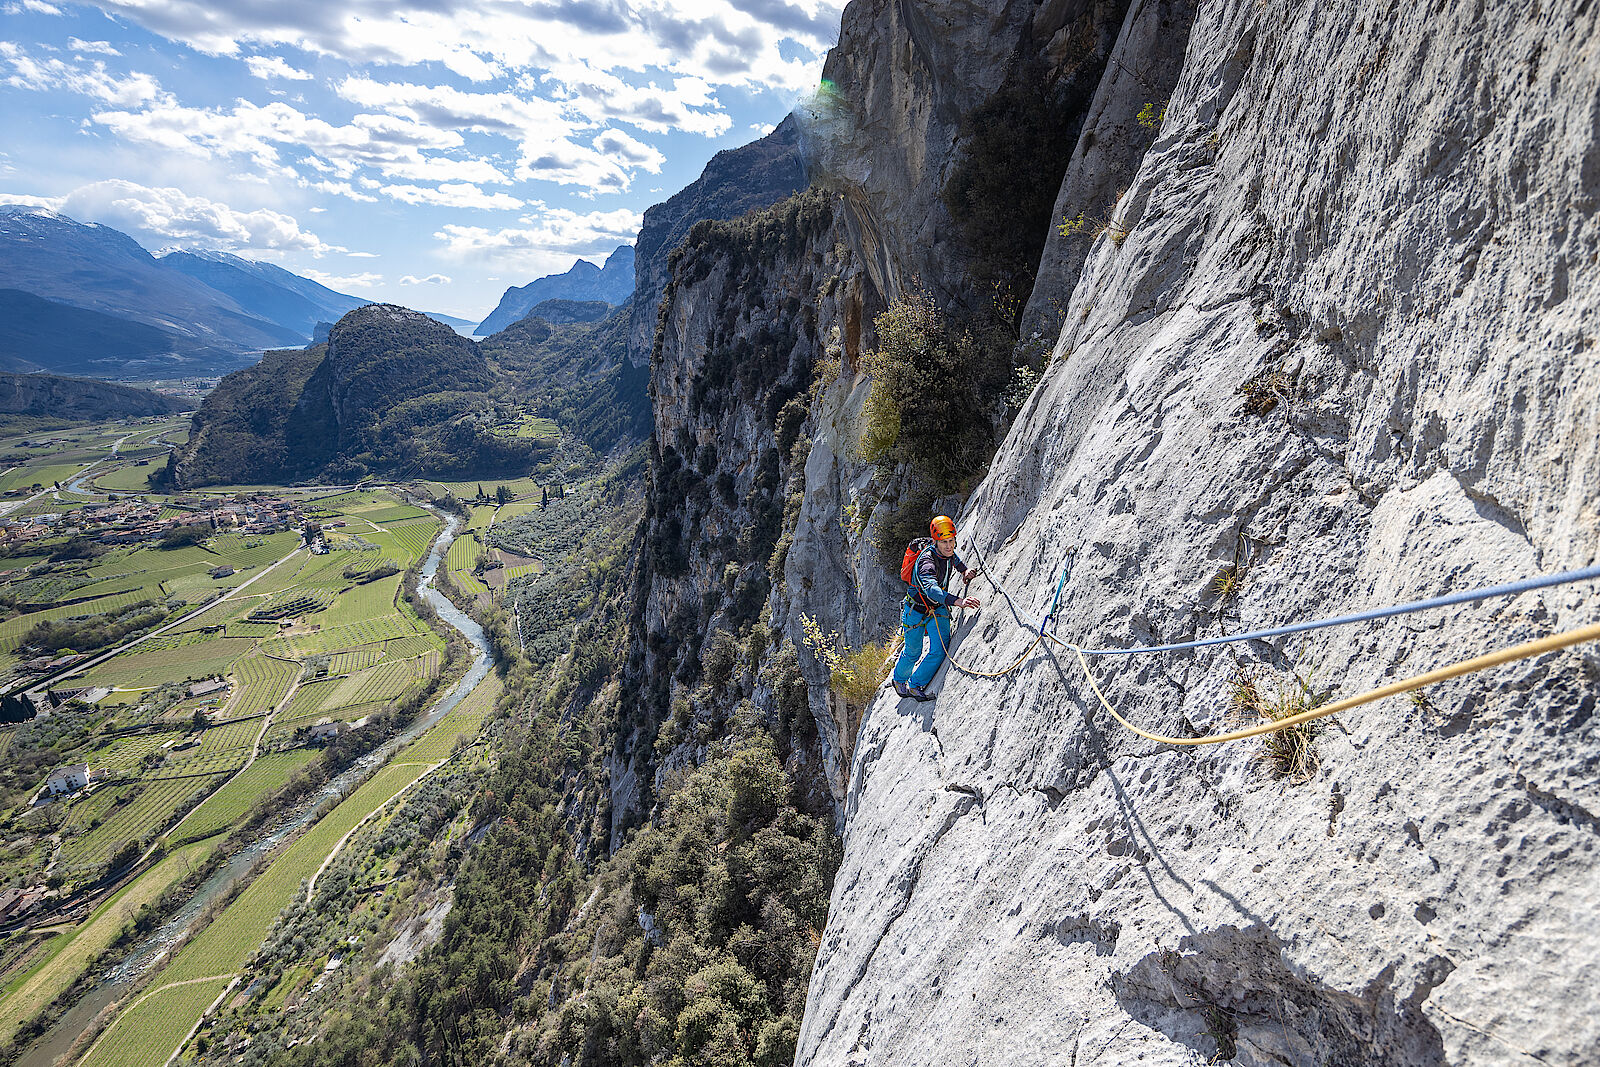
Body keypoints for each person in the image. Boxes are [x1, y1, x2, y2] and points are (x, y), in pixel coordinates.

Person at [893, 515, 981, 701]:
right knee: (913, 651)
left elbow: (952, 558)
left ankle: (916, 684)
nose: (949, 546)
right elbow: (932, 590)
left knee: (940, 649)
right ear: (935, 542)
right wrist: (959, 601)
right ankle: (899, 679)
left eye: (951, 541)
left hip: (937, 607)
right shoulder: (926, 562)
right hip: (915, 610)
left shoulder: (945, 552)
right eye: (944, 542)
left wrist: (964, 570)